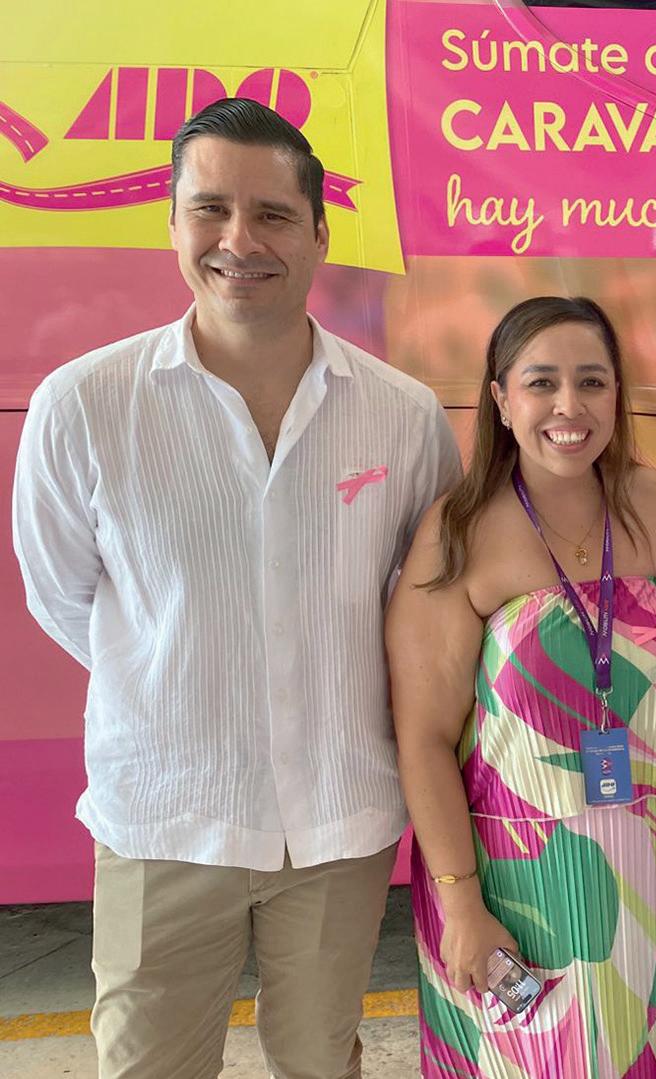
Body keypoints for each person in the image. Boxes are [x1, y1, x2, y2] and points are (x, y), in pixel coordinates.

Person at [11, 98, 460, 1078]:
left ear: (320, 233)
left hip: (340, 817)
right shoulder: (85, 405)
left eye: (272, 214)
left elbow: (426, 608)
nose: (239, 241)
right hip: (165, 816)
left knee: (321, 1060)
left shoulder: (402, 416)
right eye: (210, 210)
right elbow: (62, 593)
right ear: (173, 224)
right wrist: (177, 671)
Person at [387, 296, 656, 1078]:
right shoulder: (459, 533)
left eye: (591, 381)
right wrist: (461, 902)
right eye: (541, 382)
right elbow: (424, 738)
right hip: (517, 883)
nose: (569, 406)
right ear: (501, 399)